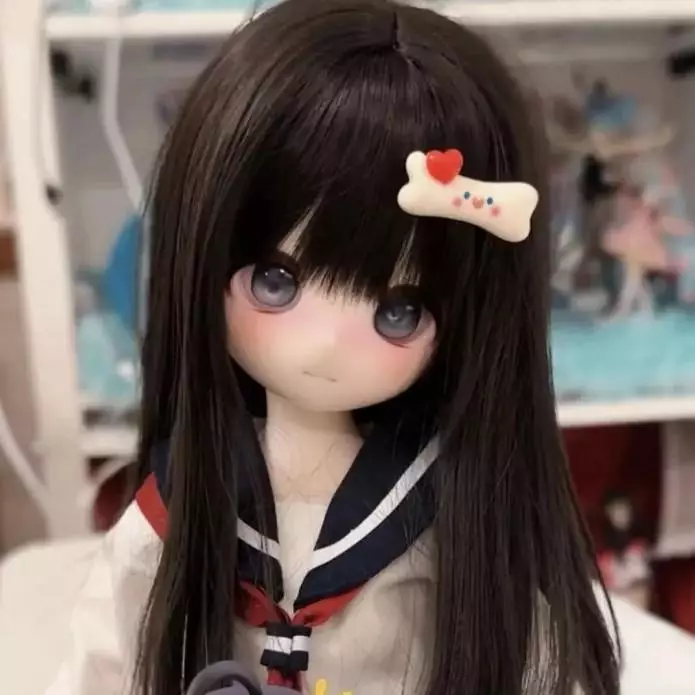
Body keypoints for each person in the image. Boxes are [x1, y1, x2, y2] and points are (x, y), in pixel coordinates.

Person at [47, 1, 620, 694]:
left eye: (398, 311)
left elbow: (535, 659)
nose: (325, 344)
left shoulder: (445, 519)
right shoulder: (185, 505)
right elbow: (105, 660)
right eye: (276, 281)